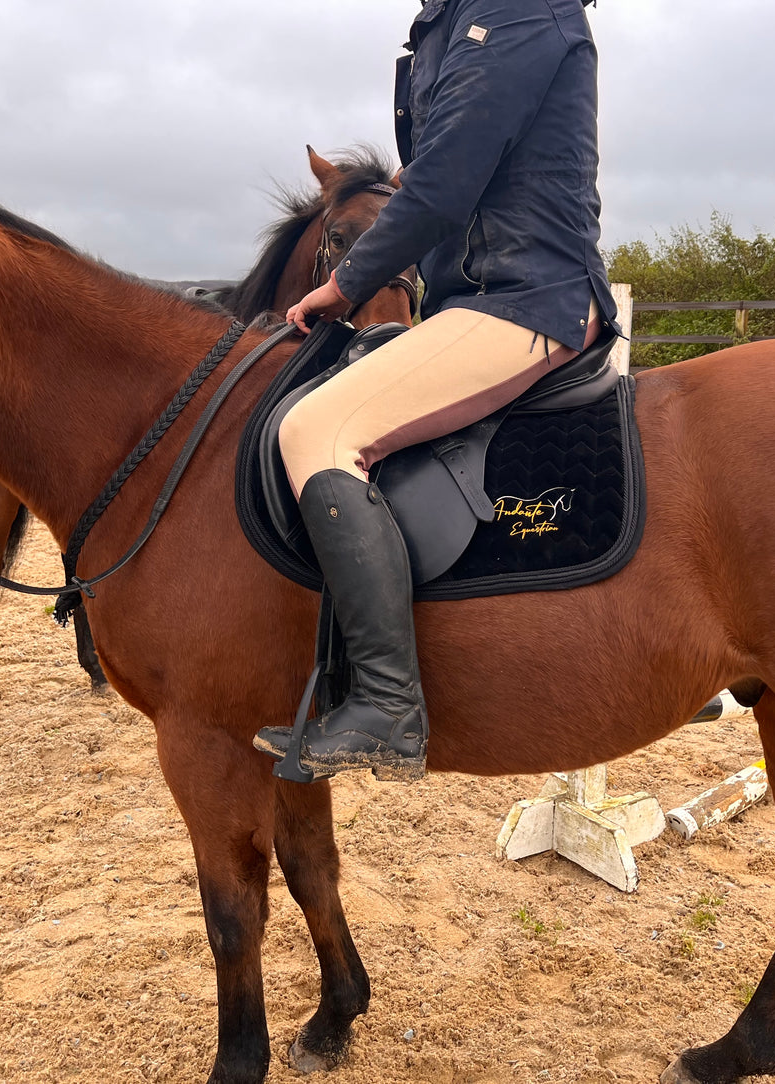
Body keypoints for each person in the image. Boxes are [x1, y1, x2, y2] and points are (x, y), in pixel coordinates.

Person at [254, 0, 615, 782]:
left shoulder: (514, 9)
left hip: (524, 297)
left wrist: (346, 282)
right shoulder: (444, 27)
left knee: (315, 433)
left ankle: (387, 705)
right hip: (475, 296)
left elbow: (448, 182)